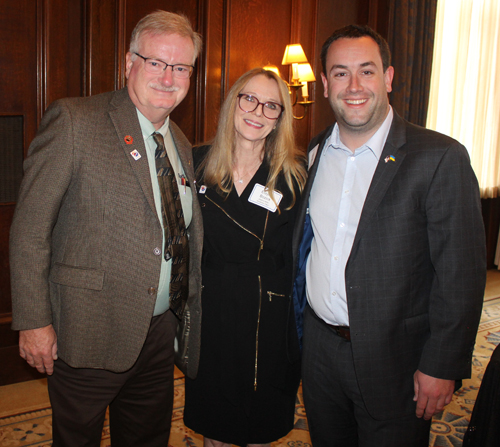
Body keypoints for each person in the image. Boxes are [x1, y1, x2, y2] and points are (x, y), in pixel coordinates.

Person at [9, 10, 203, 446]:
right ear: (129, 62)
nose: (168, 77)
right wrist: (34, 322)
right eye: (156, 62)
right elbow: (29, 229)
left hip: (156, 336)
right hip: (86, 331)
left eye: (181, 68)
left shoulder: (183, 146)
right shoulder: (76, 121)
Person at [292, 25, 487, 446]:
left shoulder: (439, 157)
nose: (355, 85)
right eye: (341, 73)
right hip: (321, 353)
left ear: (389, 78)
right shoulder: (315, 150)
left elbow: (462, 275)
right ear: (325, 84)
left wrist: (442, 364)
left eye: (367, 71)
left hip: (397, 359)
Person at [183, 67, 307, 447]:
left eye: (272, 106)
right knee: (216, 427)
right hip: (212, 310)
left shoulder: (294, 176)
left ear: (280, 119)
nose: (258, 112)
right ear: (233, 102)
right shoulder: (196, 162)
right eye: (249, 99)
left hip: (267, 317)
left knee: (259, 426)